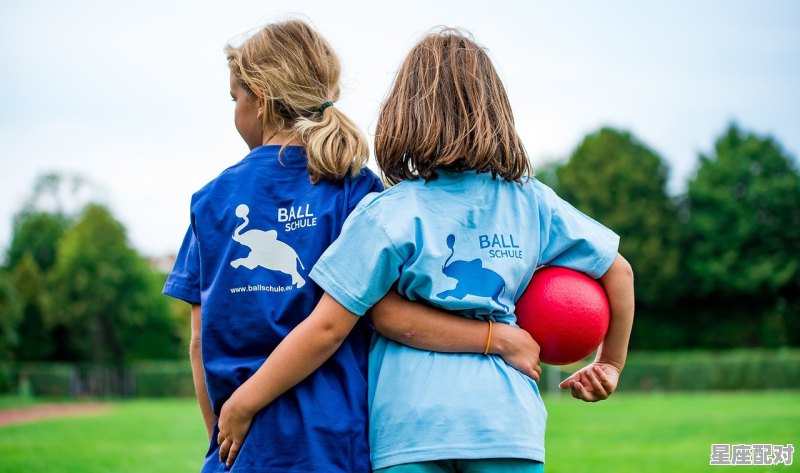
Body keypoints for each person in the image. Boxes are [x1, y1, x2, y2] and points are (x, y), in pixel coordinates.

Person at [164, 20, 541, 473]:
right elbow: (378, 317)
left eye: (234, 98)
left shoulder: (210, 202)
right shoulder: (356, 191)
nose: (235, 111)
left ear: (259, 101)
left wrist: (220, 436)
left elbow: (199, 340)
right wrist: (495, 336)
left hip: (241, 448)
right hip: (335, 446)